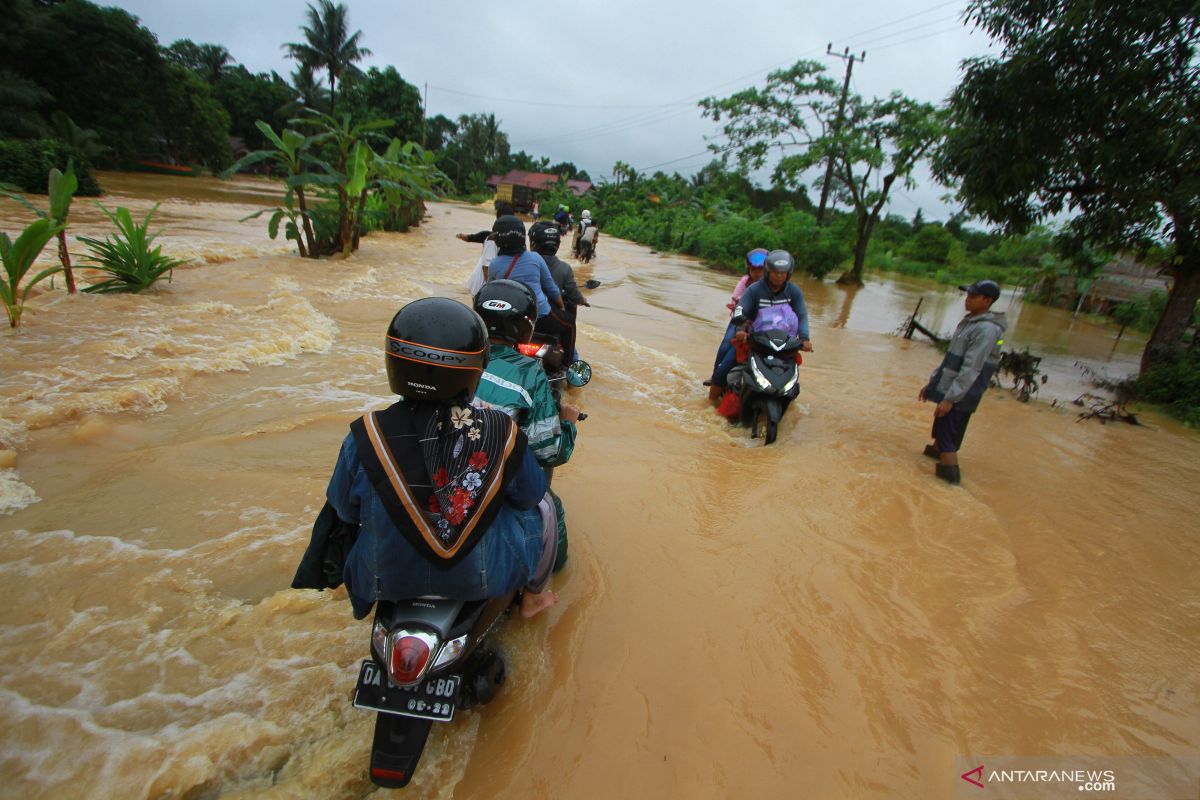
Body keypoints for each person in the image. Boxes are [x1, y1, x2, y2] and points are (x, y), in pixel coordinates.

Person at [322, 297, 559, 619]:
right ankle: (533, 597)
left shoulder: (366, 433)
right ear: (474, 369)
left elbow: (344, 508)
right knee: (543, 506)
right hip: (489, 577)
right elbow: (529, 495)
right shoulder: (500, 430)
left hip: (383, 578)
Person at [472, 280, 581, 469]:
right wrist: (568, 424)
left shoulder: (456, 350)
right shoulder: (529, 372)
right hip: (484, 476)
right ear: (527, 324)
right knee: (551, 500)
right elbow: (549, 452)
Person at [919, 279, 1008, 485]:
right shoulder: (971, 322)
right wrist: (933, 383)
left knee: (948, 436)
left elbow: (972, 368)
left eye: (973, 296)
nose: (967, 300)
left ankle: (950, 484)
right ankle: (932, 462)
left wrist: (951, 398)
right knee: (943, 432)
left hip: (962, 391)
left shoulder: (986, 329)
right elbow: (951, 360)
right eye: (967, 295)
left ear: (987, 301)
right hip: (953, 387)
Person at [711, 250, 812, 401]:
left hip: (782, 342)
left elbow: (802, 315)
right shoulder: (754, 289)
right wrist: (740, 329)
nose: (779, 276)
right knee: (724, 367)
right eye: (775, 272)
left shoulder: (794, 291)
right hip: (755, 338)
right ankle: (710, 402)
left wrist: (804, 338)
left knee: (792, 374)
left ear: (788, 273)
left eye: (783, 273)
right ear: (768, 272)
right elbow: (739, 309)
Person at [705, 249, 768, 398]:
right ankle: (715, 377)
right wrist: (741, 303)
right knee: (727, 344)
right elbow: (736, 298)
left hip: (763, 325)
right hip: (742, 321)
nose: (757, 273)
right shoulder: (745, 282)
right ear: (749, 269)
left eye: (761, 270)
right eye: (754, 270)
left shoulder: (775, 287)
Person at [529, 220, 589, 361]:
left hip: (525, 318)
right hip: (550, 320)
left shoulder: (526, 262)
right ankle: (569, 365)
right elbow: (573, 292)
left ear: (533, 242)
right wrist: (583, 301)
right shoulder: (564, 268)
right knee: (570, 330)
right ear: (557, 244)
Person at [486, 215, 565, 320]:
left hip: (511, 316)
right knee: (569, 324)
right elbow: (551, 288)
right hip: (539, 314)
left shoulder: (494, 264)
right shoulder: (535, 258)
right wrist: (562, 306)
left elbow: (490, 289)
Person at [459, 200, 514, 295]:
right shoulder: (493, 240)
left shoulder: (502, 238)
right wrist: (491, 291)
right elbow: (486, 267)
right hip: (482, 286)